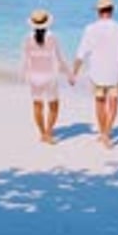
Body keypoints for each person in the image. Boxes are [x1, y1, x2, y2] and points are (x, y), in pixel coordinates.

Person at [72, 0, 118, 148]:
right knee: (113, 103)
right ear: (112, 10)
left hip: (96, 73)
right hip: (115, 72)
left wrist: (74, 73)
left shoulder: (90, 29)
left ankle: (102, 133)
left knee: (100, 102)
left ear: (98, 11)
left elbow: (81, 53)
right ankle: (107, 134)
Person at [21, 9, 73, 144]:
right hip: (50, 76)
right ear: (47, 23)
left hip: (34, 77)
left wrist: (24, 76)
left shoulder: (27, 38)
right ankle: (49, 133)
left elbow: (26, 60)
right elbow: (59, 59)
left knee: (37, 105)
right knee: (53, 106)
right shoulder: (52, 37)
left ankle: (42, 133)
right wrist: (69, 74)